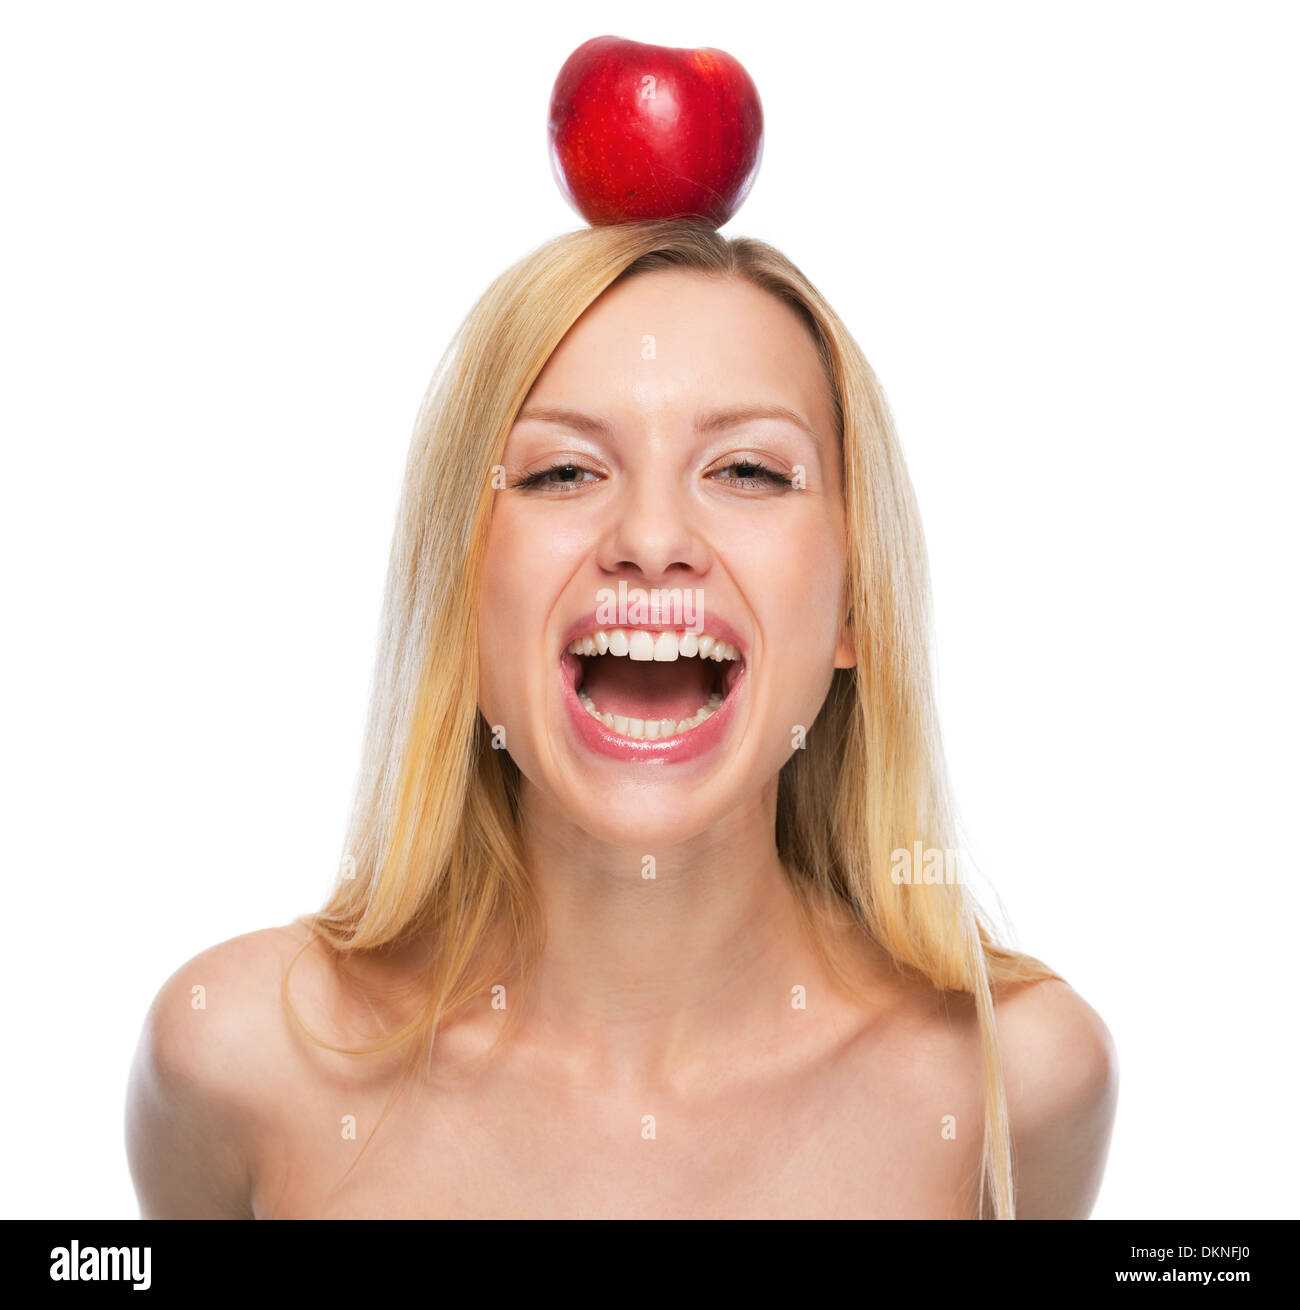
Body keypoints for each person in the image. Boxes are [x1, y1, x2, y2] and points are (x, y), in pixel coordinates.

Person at [125, 219, 1118, 1219]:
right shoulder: (238, 1061)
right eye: (562, 471)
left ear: (855, 599)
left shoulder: (1014, 1083)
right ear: (464, 595)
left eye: (747, 471)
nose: (651, 540)